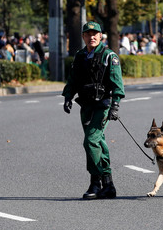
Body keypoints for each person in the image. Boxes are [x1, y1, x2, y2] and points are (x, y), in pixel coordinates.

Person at [62, 21, 125, 200]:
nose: (92, 37)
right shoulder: (80, 56)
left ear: (100, 35)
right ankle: (108, 185)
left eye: (95, 33)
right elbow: (73, 78)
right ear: (83, 36)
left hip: (102, 105)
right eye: (88, 34)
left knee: (90, 141)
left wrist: (115, 105)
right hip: (86, 105)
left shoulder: (109, 56)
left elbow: (117, 83)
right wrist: (68, 97)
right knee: (99, 143)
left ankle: (96, 183)